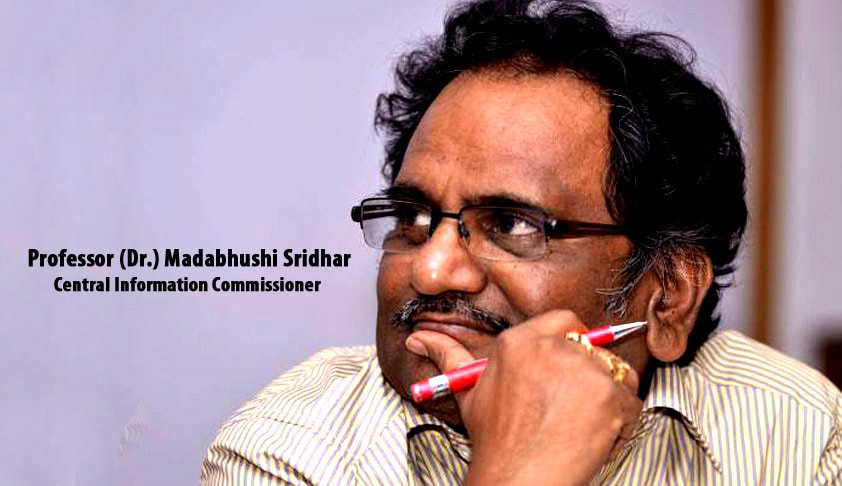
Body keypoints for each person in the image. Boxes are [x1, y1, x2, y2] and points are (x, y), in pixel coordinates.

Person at [201, 0, 842, 483]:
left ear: (667, 297)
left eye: (512, 225)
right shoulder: (285, 452)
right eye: (414, 217)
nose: (432, 269)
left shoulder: (800, 433)